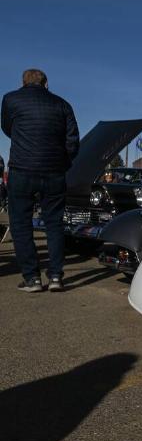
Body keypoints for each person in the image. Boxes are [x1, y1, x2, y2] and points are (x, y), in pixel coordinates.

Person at [1, 69, 79, 292]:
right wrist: (63, 163)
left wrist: (23, 139)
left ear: (23, 82)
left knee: (20, 224)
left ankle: (32, 279)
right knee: (54, 224)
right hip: (54, 172)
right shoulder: (62, 105)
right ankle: (55, 277)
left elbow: (7, 128)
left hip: (21, 170)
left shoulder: (10, 99)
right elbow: (73, 140)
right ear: (46, 84)